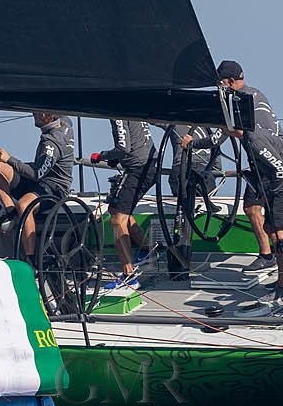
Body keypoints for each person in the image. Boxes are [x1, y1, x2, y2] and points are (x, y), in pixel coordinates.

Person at [217, 60, 283, 304]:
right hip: (266, 171)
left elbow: (279, 169)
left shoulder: (252, 123)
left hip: (279, 175)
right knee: (270, 227)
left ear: (232, 82)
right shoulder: (243, 99)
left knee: (277, 233)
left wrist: (269, 194)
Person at [0, 112, 74, 260]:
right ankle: (10, 212)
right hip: (38, 181)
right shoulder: (65, 122)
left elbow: (37, 173)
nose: (33, 114)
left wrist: (10, 159)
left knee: (24, 205)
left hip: (54, 188)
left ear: (46, 116)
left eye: (36, 113)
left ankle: (30, 258)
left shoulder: (52, 143)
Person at [91, 118, 157, 290]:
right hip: (148, 165)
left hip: (139, 169)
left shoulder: (117, 114)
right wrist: (114, 159)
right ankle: (146, 252)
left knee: (117, 221)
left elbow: (123, 148)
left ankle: (129, 276)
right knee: (115, 210)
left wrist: (103, 156)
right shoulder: (130, 109)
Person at [163, 123, 224, 211]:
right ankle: (206, 204)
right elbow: (217, 165)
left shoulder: (175, 123)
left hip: (181, 171)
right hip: (204, 175)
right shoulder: (209, 132)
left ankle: (184, 213)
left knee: (184, 193)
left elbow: (152, 118)